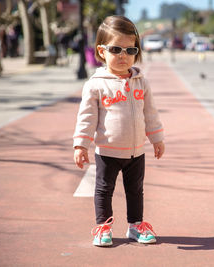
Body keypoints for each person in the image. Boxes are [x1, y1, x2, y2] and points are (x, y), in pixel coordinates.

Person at [73, 15, 165, 247]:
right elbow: (86, 117)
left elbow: (150, 113)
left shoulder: (141, 82)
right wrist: (81, 144)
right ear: (102, 51)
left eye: (130, 49)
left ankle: (135, 226)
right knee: (104, 190)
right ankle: (103, 227)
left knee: (136, 190)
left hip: (136, 151)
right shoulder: (96, 84)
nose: (124, 55)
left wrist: (156, 138)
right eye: (116, 49)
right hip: (108, 151)